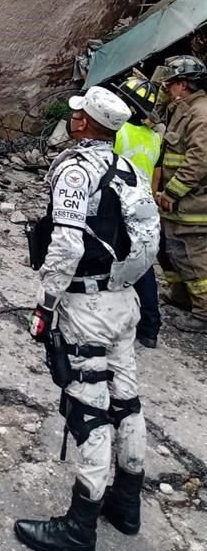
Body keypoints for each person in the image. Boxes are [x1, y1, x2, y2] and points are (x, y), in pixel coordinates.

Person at [15, 86, 159, 551]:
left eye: (77, 113)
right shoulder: (130, 170)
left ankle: (79, 528)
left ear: (83, 123)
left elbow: (67, 245)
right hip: (122, 300)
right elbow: (147, 242)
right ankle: (126, 504)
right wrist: (124, 285)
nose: (73, 118)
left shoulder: (77, 170)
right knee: (127, 401)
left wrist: (46, 303)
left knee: (89, 407)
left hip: (86, 306)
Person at [155, 54, 207, 328]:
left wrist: (172, 192)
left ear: (183, 84)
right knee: (170, 251)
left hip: (193, 203)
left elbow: (199, 161)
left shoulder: (201, 114)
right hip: (179, 201)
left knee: (194, 258)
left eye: (170, 83)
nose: (166, 87)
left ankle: (204, 313)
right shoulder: (183, 109)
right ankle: (181, 297)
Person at [113, 76, 162, 348]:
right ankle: (150, 328)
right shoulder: (155, 139)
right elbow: (156, 176)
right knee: (143, 265)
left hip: (118, 205)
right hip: (145, 207)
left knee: (107, 258)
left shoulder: (117, 133)